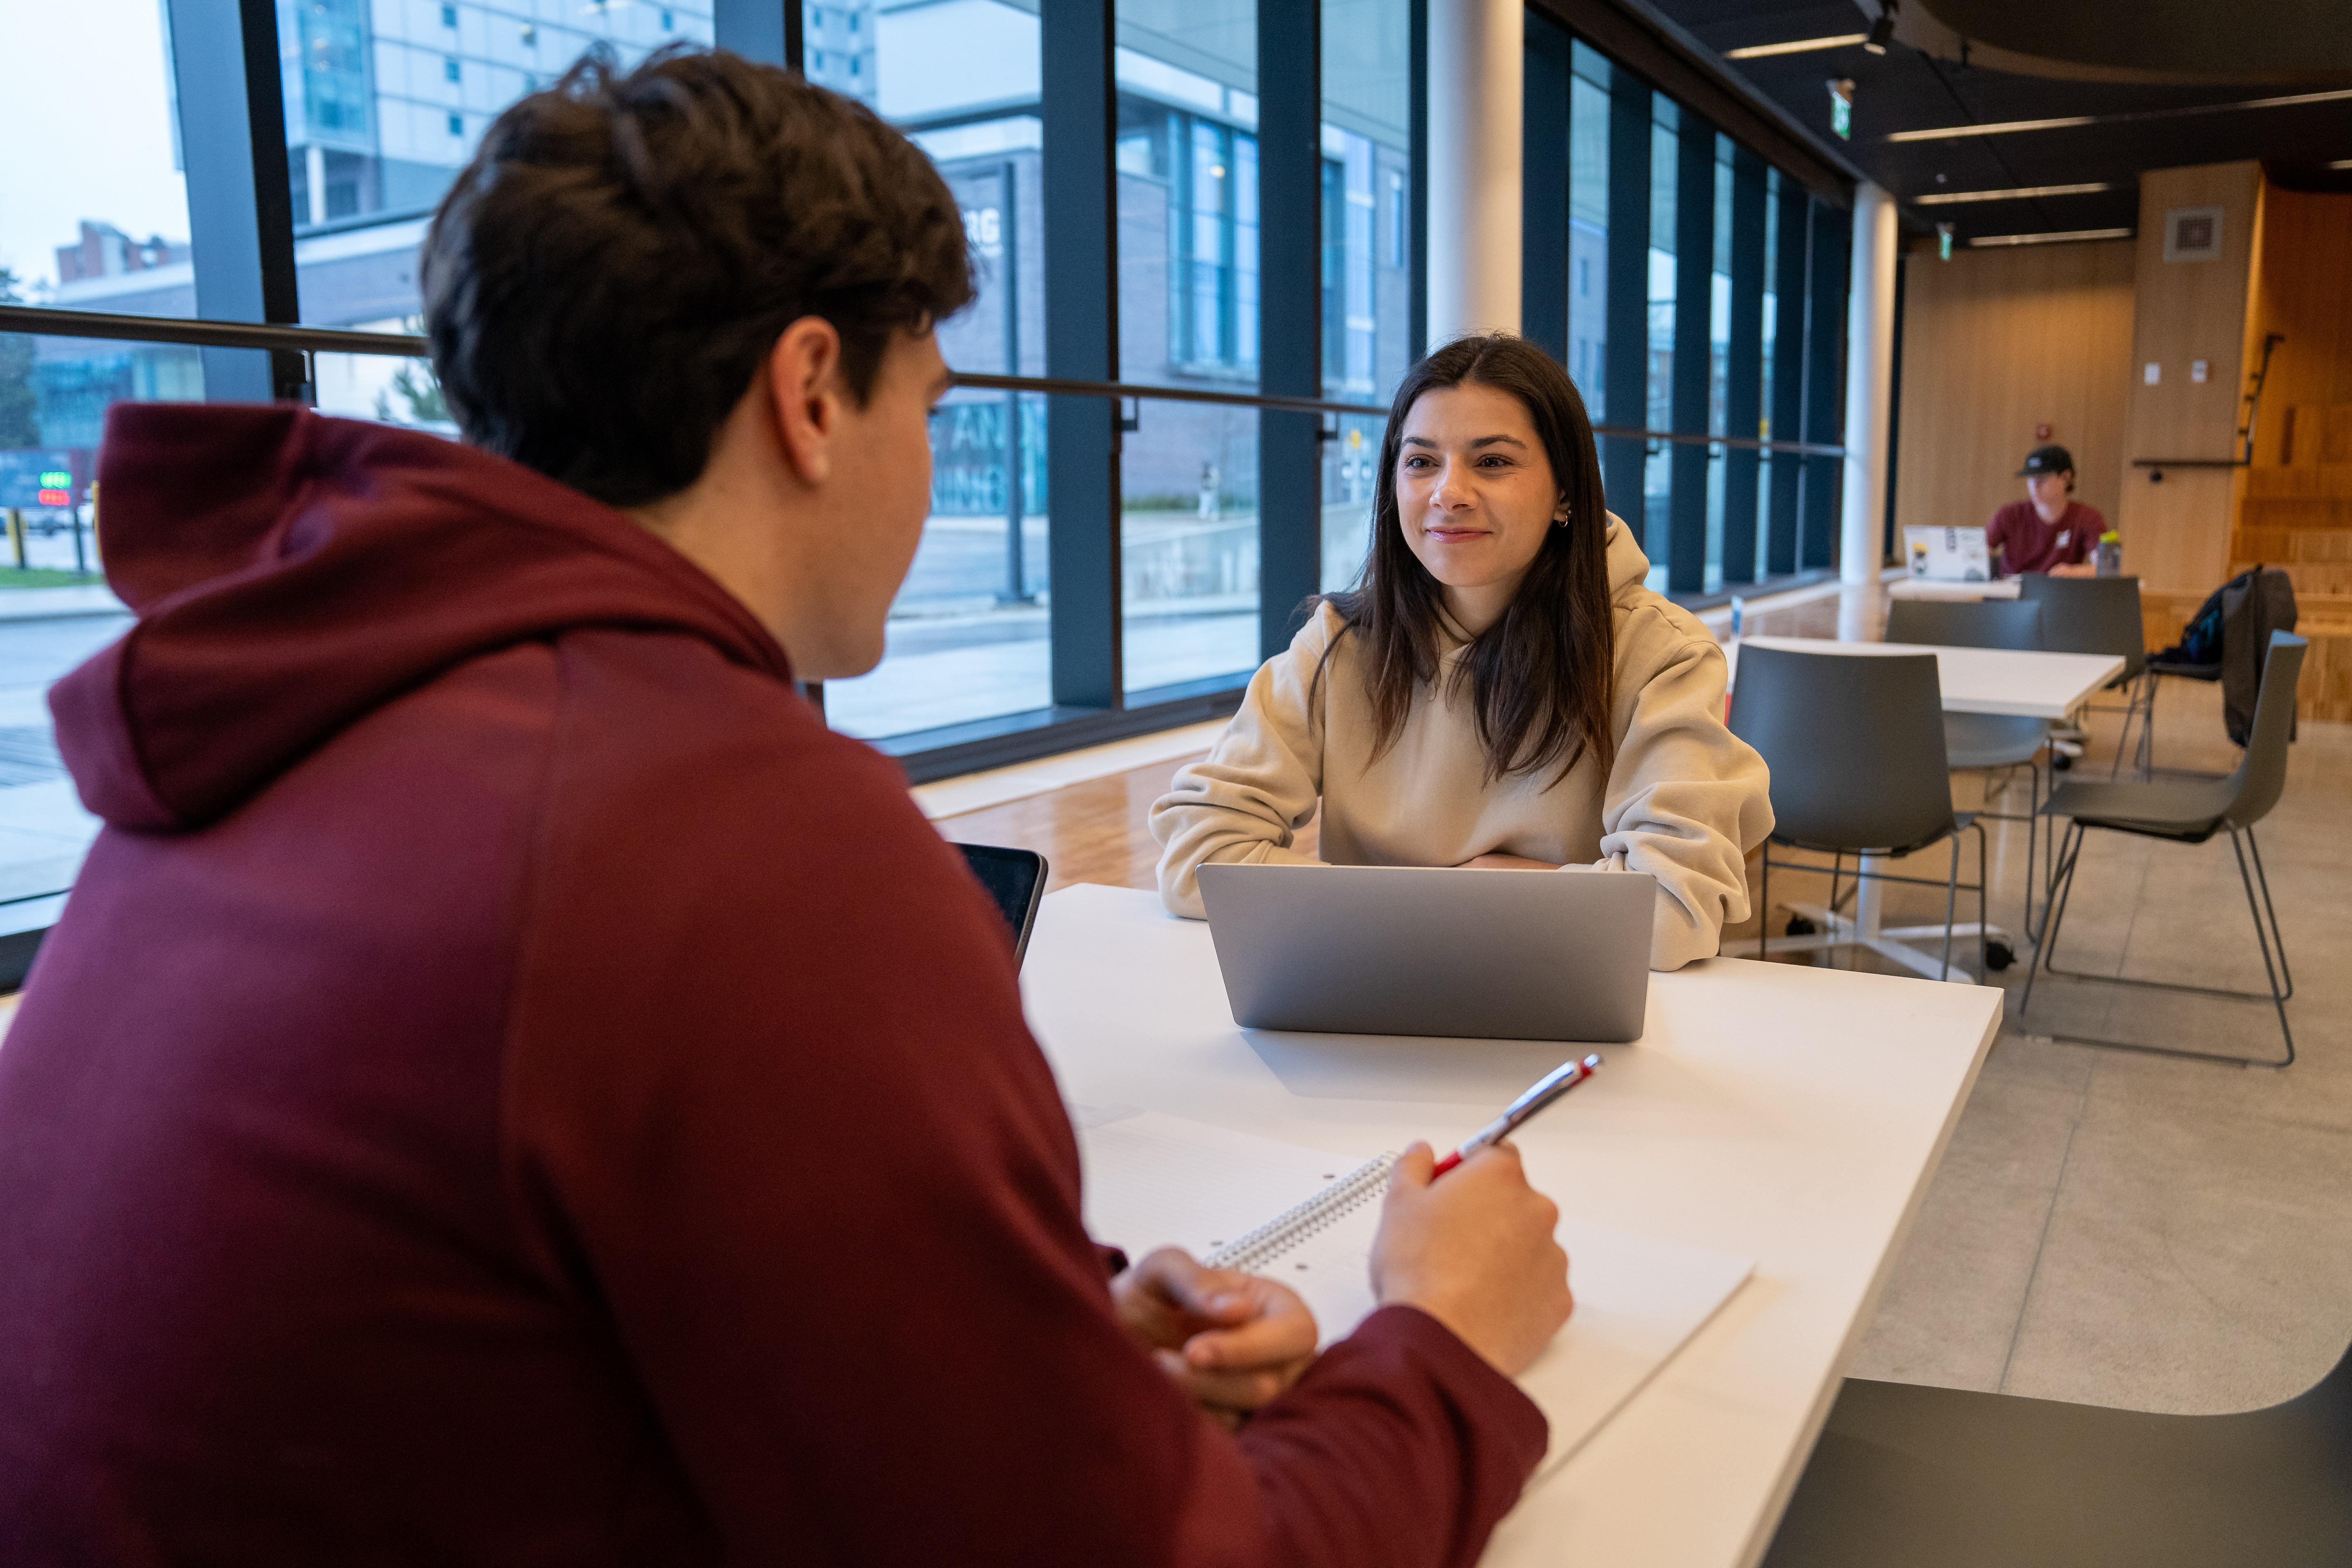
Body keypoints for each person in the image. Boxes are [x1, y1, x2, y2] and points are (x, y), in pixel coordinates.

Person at [0, 49, 1573, 1566]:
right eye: (938, 409)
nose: (933, 473)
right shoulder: (723, 832)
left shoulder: (265, 733)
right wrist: (1438, 1346)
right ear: (813, 392)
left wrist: (1032, 1327)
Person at [1153, 334, 1773, 971]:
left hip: (1557, 1009)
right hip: (1370, 1000)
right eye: (1421, 462)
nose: (1449, 492)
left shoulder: (1661, 653)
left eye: (1494, 462)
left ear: (1566, 493)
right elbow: (1198, 851)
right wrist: (1479, 892)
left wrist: (1397, 902)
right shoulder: (1340, 643)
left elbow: (1674, 910)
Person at [1986, 444, 2104, 579]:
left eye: (2042, 479)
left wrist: (2073, 572)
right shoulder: (2009, 515)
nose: (2034, 486)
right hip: (2011, 597)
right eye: (2030, 479)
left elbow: (2105, 569)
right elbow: (1975, 554)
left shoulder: (2086, 517)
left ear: (2066, 478)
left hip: (2057, 596)